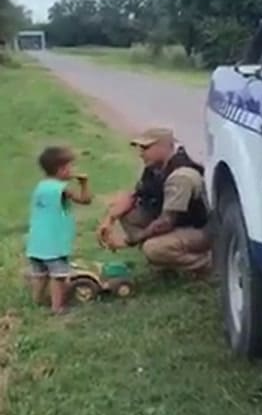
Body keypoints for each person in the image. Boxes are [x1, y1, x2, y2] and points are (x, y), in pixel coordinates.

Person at [97, 127, 212, 274]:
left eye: (145, 148)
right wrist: (109, 219)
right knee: (124, 210)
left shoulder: (181, 176)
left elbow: (165, 222)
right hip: (174, 222)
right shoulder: (154, 167)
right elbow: (134, 195)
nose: (141, 153)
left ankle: (205, 263)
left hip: (198, 230)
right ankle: (167, 257)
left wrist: (130, 241)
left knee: (153, 249)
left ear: (164, 146)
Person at [26, 145, 92, 314]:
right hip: (54, 243)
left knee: (39, 275)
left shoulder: (41, 186)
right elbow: (85, 200)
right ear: (62, 169)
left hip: (37, 243)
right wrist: (84, 184)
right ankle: (57, 307)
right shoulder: (61, 188)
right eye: (71, 166)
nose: (73, 170)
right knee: (58, 276)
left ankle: (37, 301)